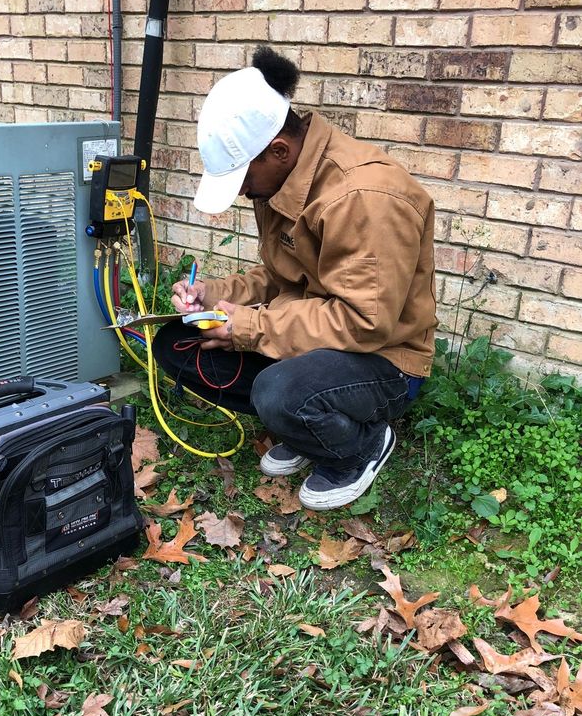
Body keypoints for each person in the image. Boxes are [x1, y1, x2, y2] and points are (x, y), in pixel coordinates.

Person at [152, 46, 437, 510]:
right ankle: (302, 425)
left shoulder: (364, 197)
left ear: (279, 151)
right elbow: (280, 274)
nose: (243, 193)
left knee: (279, 391)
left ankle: (357, 445)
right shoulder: (287, 179)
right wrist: (213, 295)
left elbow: (365, 322)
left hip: (386, 361)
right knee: (175, 342)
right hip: (320, 342)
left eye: (242, 180)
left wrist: (247, 327)